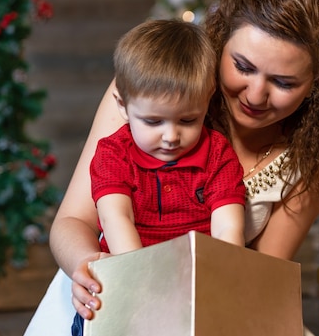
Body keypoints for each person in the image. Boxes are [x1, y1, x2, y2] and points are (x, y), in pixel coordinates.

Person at [25, 0, 319, 335]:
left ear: (315, 84)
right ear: (221, 43)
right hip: (101, 295)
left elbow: (261, 274)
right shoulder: (152, 89)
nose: (255, 95)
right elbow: (72, 222)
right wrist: (87, 265)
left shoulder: (315, 154)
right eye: (243, 67)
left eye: (283, 82)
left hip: (216, 309)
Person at [70, 19, 246, 335]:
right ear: (123, 106)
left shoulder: (217, 154)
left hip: (196, 281)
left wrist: (221, 277)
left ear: (208, 98)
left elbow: (228, 227)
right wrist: (143, 284)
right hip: (127, 277)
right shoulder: (114, 153)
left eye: (187, 120)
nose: (170, 136)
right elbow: (116, 219)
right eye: (153, 121)